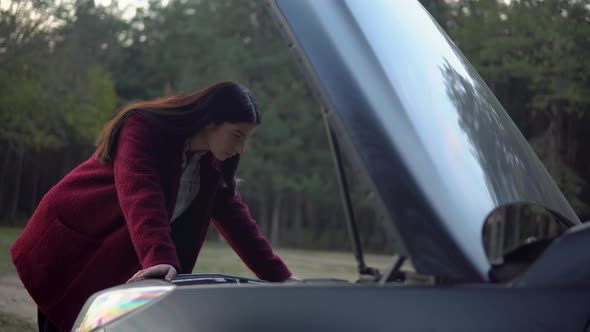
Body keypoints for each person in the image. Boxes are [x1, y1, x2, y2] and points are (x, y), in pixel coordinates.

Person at [10, 81, 296, 332]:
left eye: (246, 139)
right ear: (212, 121)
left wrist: (284, 281)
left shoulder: (211, 166)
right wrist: (160, 258)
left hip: (115, 260)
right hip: (70, 248)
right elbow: (141, 194)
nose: (241, 149)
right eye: (237, 135)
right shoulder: (143, 127)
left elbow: (239, 224)